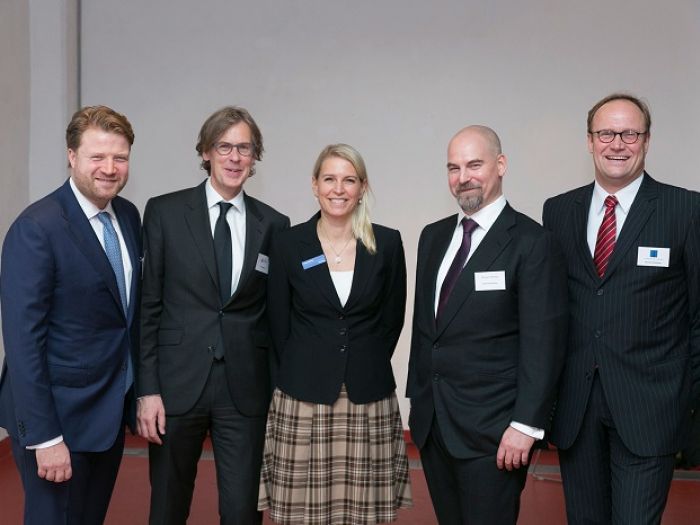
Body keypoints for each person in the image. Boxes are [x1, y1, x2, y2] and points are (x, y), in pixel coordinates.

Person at [542, 93, 700, 524]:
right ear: (589, 141)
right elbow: (551, 311)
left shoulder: (685, 210)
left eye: (630, 133)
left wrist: (690, 406)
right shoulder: (558, 211)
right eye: (606, 133)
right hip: (577, 409)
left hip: (651, 409)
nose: (617, 144)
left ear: (646, 141)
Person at [407, 125, 568, 524]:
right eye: (453, 168)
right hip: (434, 427)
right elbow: (427, 331)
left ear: (501, 165)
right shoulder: (433, 237)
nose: (463, 177)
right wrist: (418, 404)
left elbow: (543, 343)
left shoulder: (532, 242)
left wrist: (526, 425)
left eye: (474, 165)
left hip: (496, 435)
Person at [137, 106, 289, 524]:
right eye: (224, 146)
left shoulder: (274, 224)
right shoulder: (164, 212)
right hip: (175, 386)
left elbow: (276, 317)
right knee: (167, 507)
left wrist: (278, 394)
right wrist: (147, 390)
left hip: (245, 389)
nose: (235, 157)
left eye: (245, 148)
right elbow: (149, 307)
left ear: (255, 157)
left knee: (243, 511)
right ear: (205, 152)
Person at [0, 105, 140, 524]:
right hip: (57, 419)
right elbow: (23, 343)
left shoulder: (127, 216)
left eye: (119, 157)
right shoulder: (37, 228)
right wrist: (45, 437)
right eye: (97, 156)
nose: (109, 168)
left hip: (106, 415)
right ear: (72, 156)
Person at [258, 143, 412, 524]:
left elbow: (391, 320)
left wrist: (360, 358)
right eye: (329, 179)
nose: (338, 189)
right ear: (314, 185)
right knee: (302, 511)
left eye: (349, 180)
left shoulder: (387, 243)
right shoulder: (288, 244)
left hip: (367, 392)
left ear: (362, 187)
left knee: (363, 510)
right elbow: (278, 323)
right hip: (303, 393)